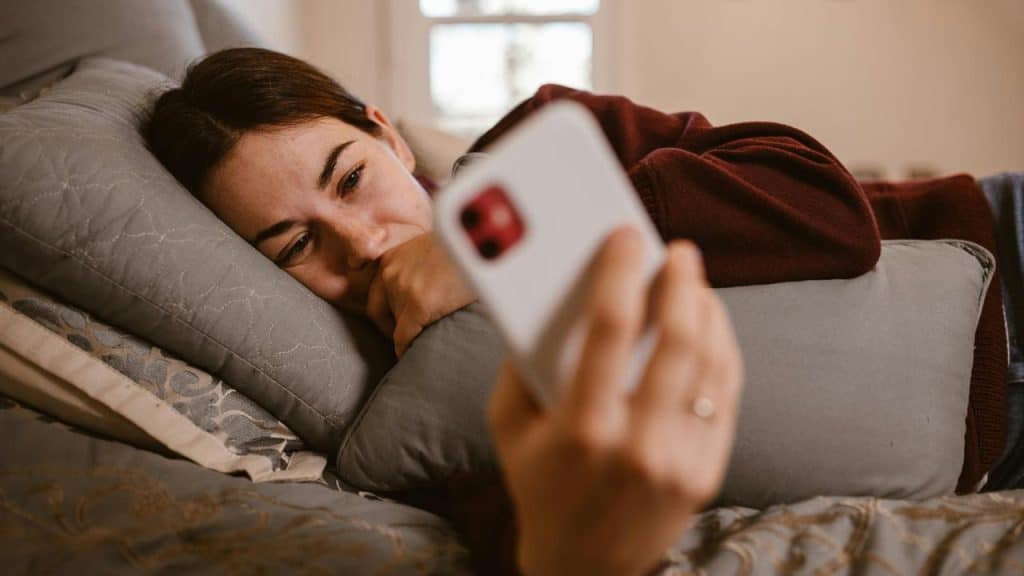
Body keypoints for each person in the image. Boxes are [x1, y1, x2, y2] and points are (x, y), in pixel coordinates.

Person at [144, 47, 875, 573]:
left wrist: (485, 248)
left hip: (979, 236)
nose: (363, 245)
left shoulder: (548, 131)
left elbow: (830, 203)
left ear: (387, 135)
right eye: (299, 245)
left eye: (354, 179)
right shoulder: (405, 403)